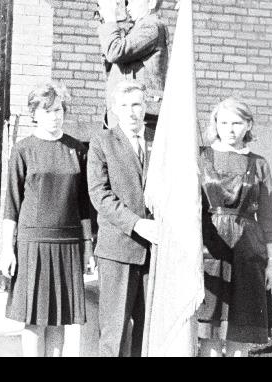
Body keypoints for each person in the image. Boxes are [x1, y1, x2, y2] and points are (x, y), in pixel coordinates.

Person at [0, 82, 94, 357]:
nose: (55, 115)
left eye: (59, 109)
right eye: (49, 110)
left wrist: (87, 248)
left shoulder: (77, 150)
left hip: (67, 243)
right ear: (35, 114)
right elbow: (11, 204)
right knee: (33, 317)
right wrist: (7, 249)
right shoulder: (23, 149)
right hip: (32, 243)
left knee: (59, 317)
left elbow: (84, 206)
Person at [196, 97, 272, 357]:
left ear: (248, 125)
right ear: (215, 124)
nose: (229, 129)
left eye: (236, 123)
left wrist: (271, 262)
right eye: (223, 122)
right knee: (208, 329)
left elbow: (268, 216)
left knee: (240, 330)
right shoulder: (201, 157)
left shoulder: (259, 163)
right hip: (210, 248)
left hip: (248, 251)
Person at [87, 80, 158, 357]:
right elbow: (99, 194)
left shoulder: (159, 140)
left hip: (155, 252)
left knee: (149, 330)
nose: (131, 112)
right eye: (125, 106)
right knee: (114, 331)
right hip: (118, 249)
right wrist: (138, 223)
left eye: (137, 105)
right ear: (115, 109)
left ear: (145, 106)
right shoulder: (102, 143)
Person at [96, 0, 169, 131]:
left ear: (151, 3)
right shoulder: (137, 28)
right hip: (126, 109)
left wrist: (110, 20)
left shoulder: (151, 26)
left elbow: (115, 52)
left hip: (139, 111)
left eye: (133, 1)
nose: (128, 7)